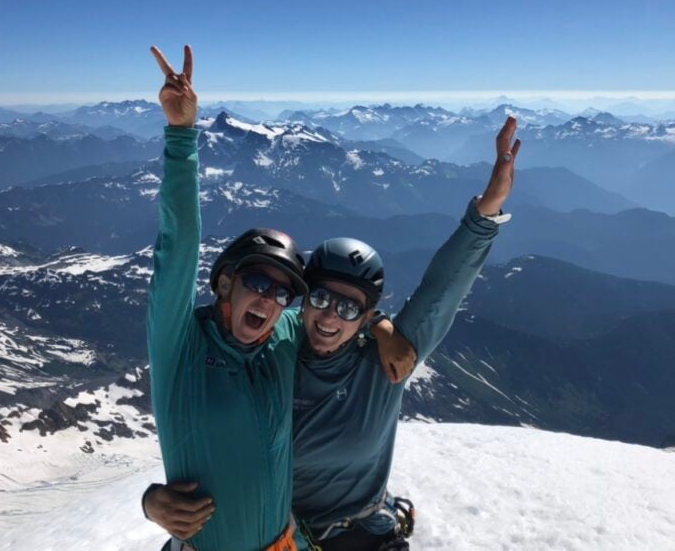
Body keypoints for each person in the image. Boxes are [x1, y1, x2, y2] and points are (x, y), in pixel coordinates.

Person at [145, 48, 521, 548]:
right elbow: (176, 256)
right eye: (319, 298)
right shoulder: (256, 345)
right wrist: (181, 137)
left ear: (364, 317)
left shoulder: (369, 359)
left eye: (350, 309)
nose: (328, 316)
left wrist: (486, 213)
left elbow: (441, 293)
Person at [145, 45, 409, 551]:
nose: (269, 300)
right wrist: (182, 136)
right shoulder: (180, 349)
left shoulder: (281, 338)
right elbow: (176, 251)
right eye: (258, 283)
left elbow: (333, 312)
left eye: (282, 292)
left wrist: (380, 325)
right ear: (225, 285)